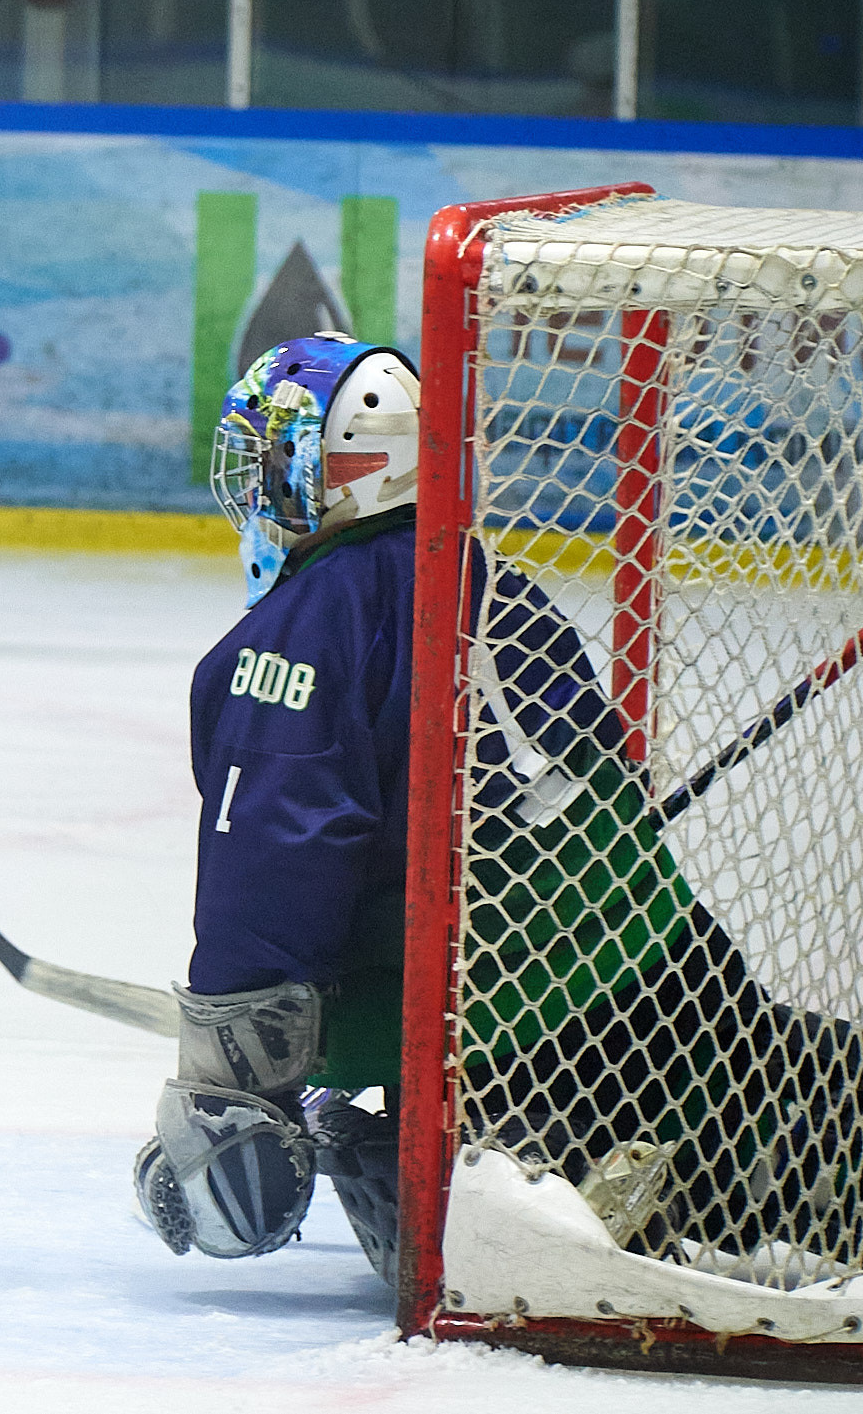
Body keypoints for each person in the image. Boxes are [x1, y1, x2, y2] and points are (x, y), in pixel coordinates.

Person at [130, 334, 819, 1290]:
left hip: (507, 1040)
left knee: (387, 1169)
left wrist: (224, 1095)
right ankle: (765, 1132)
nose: (252, 487)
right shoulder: (494, 577)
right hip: (678, 968)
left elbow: (277, 881)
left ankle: (585, 1166)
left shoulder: (297, 632)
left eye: (266, 454)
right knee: (771, 1105)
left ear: (320, 469)